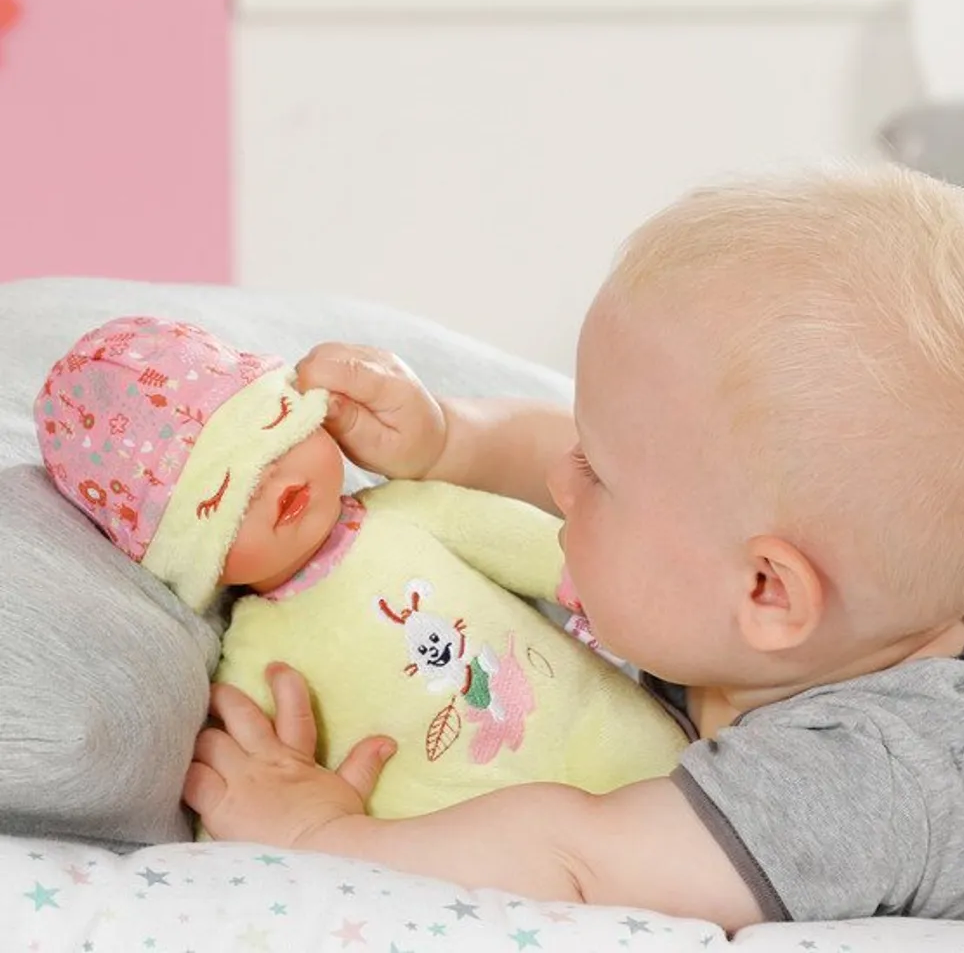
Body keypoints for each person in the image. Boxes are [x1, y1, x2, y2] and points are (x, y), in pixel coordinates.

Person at [181, 166, 964, 930]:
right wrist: (453, 440)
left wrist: (320, 835)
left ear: (767, 591)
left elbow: (573, 862)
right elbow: (601, 457)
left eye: (596, 474)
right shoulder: (828, 600)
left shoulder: (852, 783)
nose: (558, 478)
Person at [34, 318, 686, 823]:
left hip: (600, 732)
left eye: (274, 432)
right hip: (467, 824)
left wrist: (588, 582)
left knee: (644, 764)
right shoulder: (260, 659)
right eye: (221, 498)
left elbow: (509, 537)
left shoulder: (405, 510)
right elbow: (256, 784)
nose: (270, 483)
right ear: (187, 561)